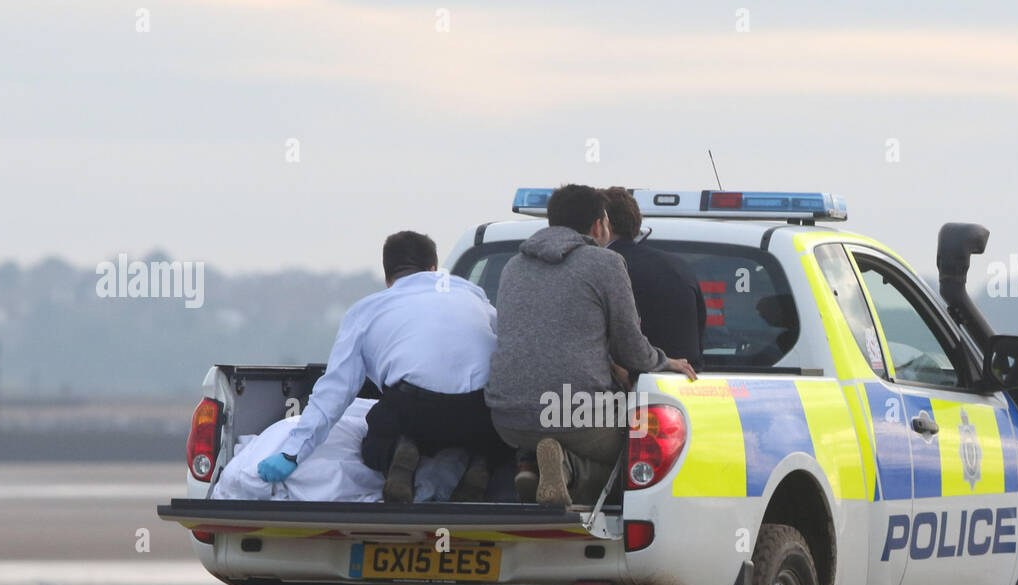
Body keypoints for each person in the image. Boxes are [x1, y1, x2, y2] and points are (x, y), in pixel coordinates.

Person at [486, 184, 697, 507]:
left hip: (508, 419)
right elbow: (631, 348)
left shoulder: (514, 265)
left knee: (549, 417)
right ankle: (567, 468)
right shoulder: (605, 263)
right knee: (639, 453)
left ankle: (531, 463)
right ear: (600, 224)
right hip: (576, 416)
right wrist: (667, 362)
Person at [257, 230, 505, 503]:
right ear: (434, 269)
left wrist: (291, 453)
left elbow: (335, 391)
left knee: (377, 436)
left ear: (389, 279)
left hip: (413, 410)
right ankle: (482, 463)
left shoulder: (366, 311)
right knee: (499, 433)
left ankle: (399, 452)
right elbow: (506, 354)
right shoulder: (476, 300)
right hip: (475, 413)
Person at [602, 186, 707, 365]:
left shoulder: (603, 268)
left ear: (604, 224)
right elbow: (699, 331)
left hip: (622, 385)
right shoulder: (679, 267)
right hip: (687, 381)